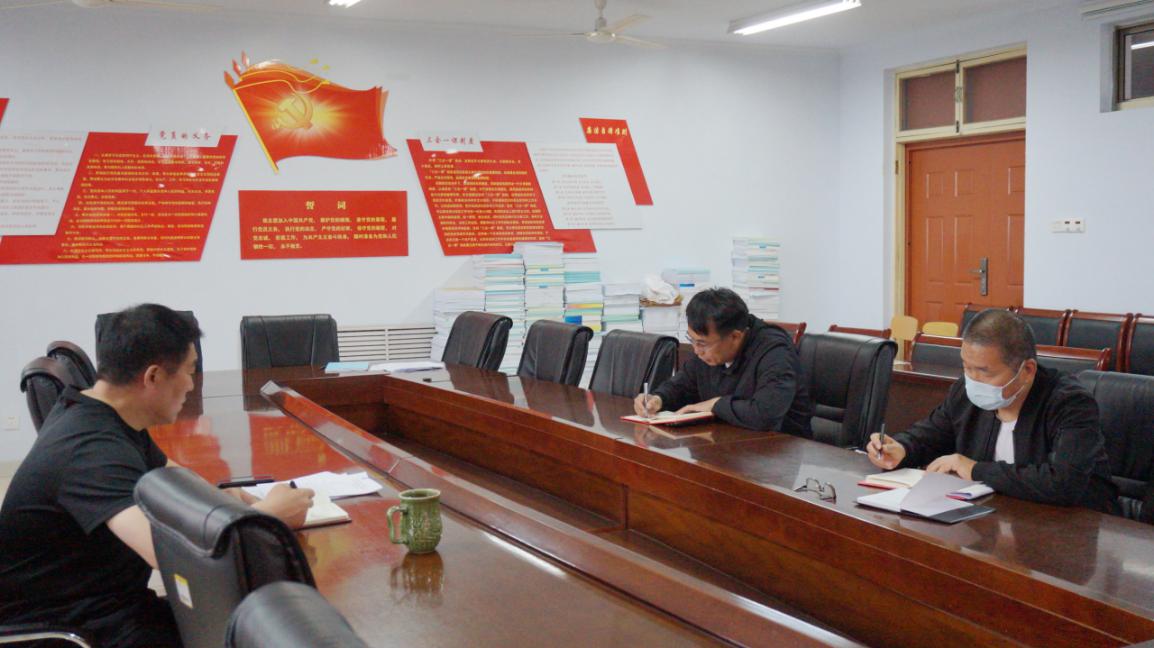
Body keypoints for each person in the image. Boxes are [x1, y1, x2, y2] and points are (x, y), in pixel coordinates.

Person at [0, 304, 315, 647]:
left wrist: (232, 501)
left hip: (108, 604)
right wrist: (268, 517)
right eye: (189, 371)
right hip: (69, 629)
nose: (192, 385)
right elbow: (170, 555)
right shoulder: (90, 449)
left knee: (252, 625)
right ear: (153, 377)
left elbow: (176, 478)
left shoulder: (103, 413)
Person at [867, 308, 1117, 512]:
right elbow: (931, 434)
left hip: (1073, 528)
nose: (973, 380)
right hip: (994, 517)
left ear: (1027, 370)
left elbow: (1063, 482)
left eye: (984, 372)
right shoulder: (965, 392)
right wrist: (902, 448)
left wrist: (975, 469)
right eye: (967, 367)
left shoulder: (1070, 403)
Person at [633, 288, 813, 434]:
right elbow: (682, 385)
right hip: (726, 442)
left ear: (735, 336)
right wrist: (658, 398)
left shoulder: (775, 352)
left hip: (779, 451)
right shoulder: (710, 350)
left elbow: (765, 414)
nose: (696, 350)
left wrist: (715, 405)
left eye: (702, 343)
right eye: (692, 340)